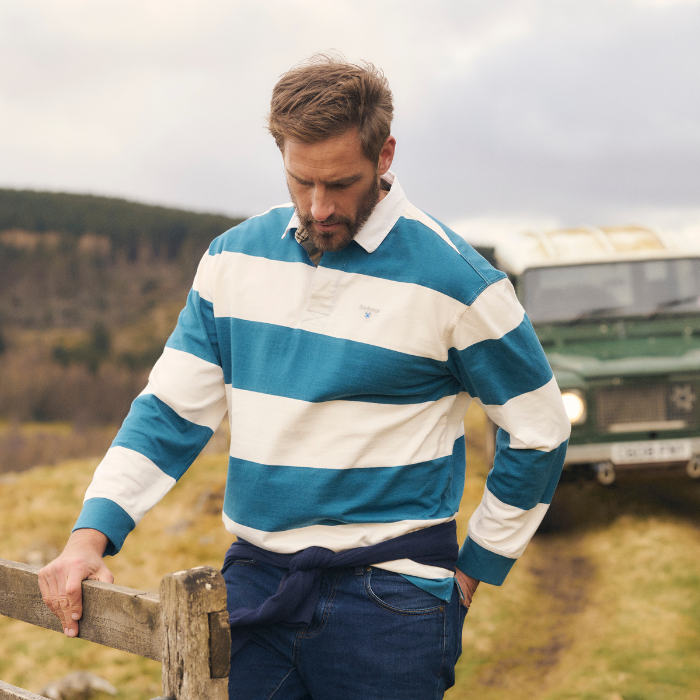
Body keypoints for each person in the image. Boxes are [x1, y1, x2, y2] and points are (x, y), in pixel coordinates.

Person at [39, 55, 570, 699]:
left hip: (392, 603)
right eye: (300, 181)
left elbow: (539, 429)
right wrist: (87, 538)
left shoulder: (459, 279)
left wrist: (473, 570)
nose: (319, 208)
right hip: (255, 590)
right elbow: (169, 415)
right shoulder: (232, 260)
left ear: (385, 155)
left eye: (341, 183)